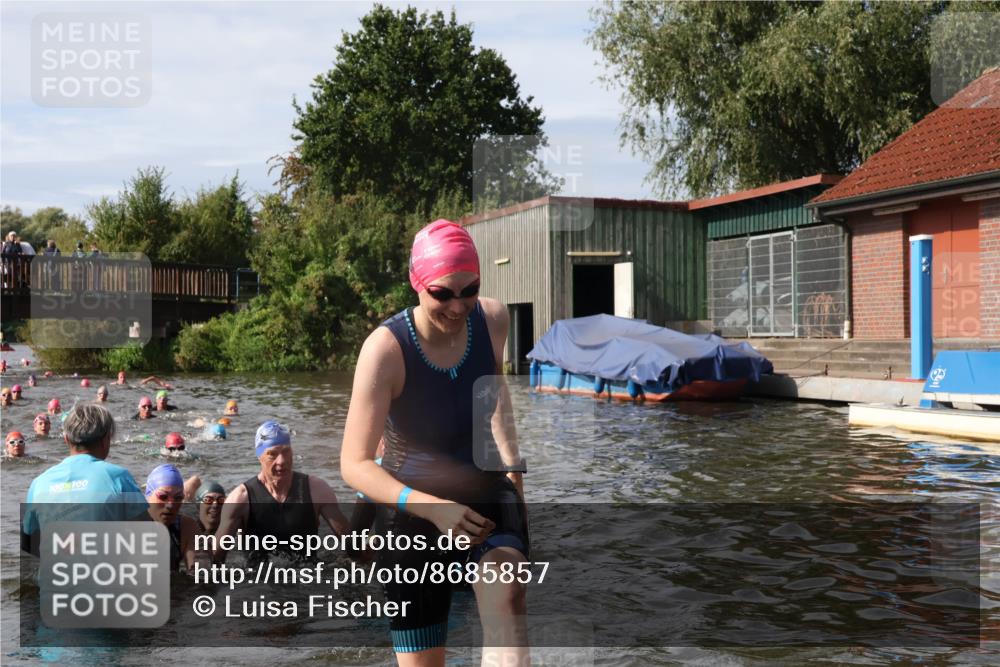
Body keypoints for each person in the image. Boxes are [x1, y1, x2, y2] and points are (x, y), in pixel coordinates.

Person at [340, 219, 528, 665]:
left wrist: (513, 468)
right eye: (443, 293)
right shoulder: (385, 351)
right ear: (416, 282)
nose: (459, 306)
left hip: (483, 496)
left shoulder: (494, 320)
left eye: (470, 289)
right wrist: (435, 509)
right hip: (412, 515)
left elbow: (495, 394)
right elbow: (355, 463)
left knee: (508, 589)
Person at [213, 421, 348, 563]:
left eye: (286, 451)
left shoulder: (317, 490)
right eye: (272, 454)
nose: (281, 460)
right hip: (259, 582)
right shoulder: (240, 499)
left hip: (307, 579)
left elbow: (352, 546)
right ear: (260, 456)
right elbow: (216, 559)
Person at [21, 404, 147, 554]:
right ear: (106, 439)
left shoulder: (39, 483)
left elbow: (28, 544)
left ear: (66, 439)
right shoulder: (118, 477)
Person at [145, 464, 197, 572]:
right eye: (163, 497)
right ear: (148, 496)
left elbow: (201, 576)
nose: (171, 505)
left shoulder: (187, 527)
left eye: (178, 498)